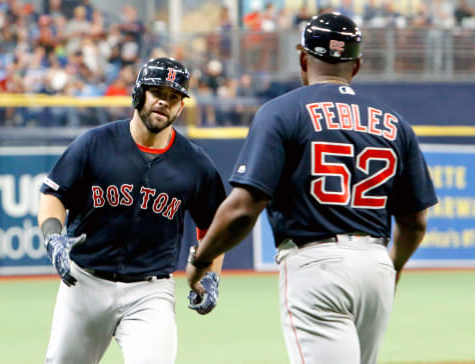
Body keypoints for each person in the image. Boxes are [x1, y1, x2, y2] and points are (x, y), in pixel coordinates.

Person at [187, 13, 437, 364]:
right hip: (376, 267)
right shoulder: (394, 121)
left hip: (316, 265)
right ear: (358, 64)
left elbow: (244, 208)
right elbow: (415, 222)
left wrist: (202, 259)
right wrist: (391, 266)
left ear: (303, 57)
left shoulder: (282, 112)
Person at [38, 57, 226, 364]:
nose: (164, 102)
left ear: (181, 106)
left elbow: (216, 228)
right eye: (157, 93)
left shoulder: (195, 164)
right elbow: (53, 194)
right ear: (139, 94)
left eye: (174, 97)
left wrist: (211, 276)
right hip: (85, 282)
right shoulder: (94, 143)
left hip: (150, 292)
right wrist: (52, 237)